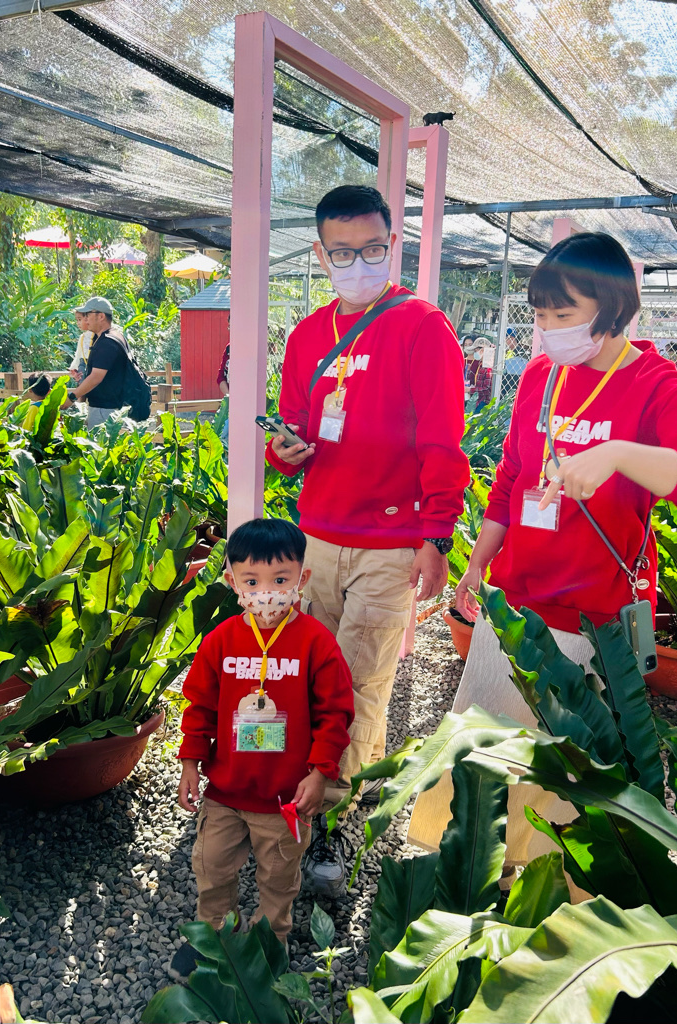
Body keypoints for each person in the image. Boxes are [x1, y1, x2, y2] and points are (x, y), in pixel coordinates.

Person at [410, 231, 677, 869]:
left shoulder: (657, 386)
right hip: (515, 608)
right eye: (541, 314)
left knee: (563, 781)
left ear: (613, 308)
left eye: (565, 314)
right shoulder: (540, 374)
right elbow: (512, 478)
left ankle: (546, 890)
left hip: (592, 618)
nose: (550, 329)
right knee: (482, 757)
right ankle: (467, 875)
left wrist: (619, 455)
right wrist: (478, 565)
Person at [265, 184, 469, 894]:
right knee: (306, 677)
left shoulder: (421, 326)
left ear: (393, 245)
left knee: (359, 681)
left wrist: (436, 535)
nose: (358, 262)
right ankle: (325, 785)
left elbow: (442, 440)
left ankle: (333, 821)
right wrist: (283, 451)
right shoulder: (306, 336)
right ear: (321, 254)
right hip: (315, 537)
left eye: (372, 249)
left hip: (389, 542)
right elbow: (292, 426)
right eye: (343, 252)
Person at [171, 518, 354, 979]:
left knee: (279, 878)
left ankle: (271, 941)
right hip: (225, 792)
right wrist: (191, 762)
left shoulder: (316, 643)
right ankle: (213, 935)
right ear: (232, 581)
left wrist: (320, 772)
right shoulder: (220, 641)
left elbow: (335, 714)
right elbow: (199, 706)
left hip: (286, 799)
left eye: (279, 579)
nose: (266, 592)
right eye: (251, 581)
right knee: (212, 868)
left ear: (301, 579)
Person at [64, 297, 128, 428]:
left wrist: (71, 397)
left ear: (101, 316)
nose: (86, 319)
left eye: (88, 314)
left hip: (105, 409)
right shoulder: (110, 337)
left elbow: (96, 377)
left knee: (100, 440)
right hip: (109, 407)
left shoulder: (107, 343)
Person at [69, 310, 93, 382]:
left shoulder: (99, 335)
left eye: (80, 319)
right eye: (77, 320)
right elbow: (78, 354)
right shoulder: (83, 337)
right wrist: (74, 368)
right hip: (83, 366)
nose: (78, 323)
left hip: (94, 365)